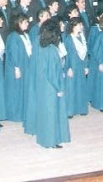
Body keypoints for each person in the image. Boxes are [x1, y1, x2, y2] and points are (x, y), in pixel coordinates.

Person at [34, 19, 70, 148]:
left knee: (45, 113)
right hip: (51, 87)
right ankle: (51, 141)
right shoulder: (52, 50)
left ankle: (45, 139)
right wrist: (59, 88)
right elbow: (53, 73)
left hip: (43, 85)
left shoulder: (42, 48)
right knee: (52, 114)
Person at [5, 13, 32, 122]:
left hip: (26, 65)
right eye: (25, 22)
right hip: (18, 67)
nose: (27, 24)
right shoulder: (13, 36)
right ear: (19, 23)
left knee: (23, 89)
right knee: (16, 90)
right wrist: (16, 68)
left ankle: (23, 112)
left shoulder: (25, 34)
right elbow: (13, 53)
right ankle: (15, 114)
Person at [64, 17, 89, 116]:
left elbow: (86, 53)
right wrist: (68, 67)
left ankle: (81, 109)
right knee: (72, 87)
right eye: (79, 25)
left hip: (81, 64)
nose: (81, 27)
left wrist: (86, 66)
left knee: (81, 87)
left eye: (81, 25)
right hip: (72, 65)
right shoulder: (69, 39)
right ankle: (70, 110)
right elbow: (66, 55)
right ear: (74, 26)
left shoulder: (82, 37)